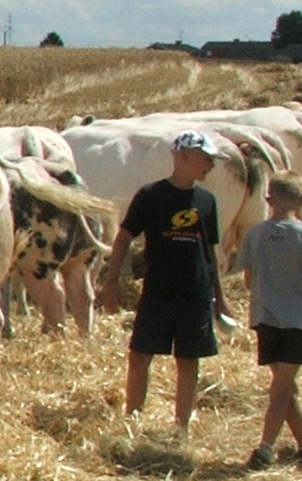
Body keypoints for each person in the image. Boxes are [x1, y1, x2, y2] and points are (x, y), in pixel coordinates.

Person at [97, 130, 232, 433]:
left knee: (189, 360)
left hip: (196, 293)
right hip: (157, 291)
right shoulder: (150, 196)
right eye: (205, 159)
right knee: (140, 355)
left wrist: (220, 297)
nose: (210, 165)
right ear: (182, 157)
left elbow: (210, 251)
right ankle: (132, 420)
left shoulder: (207, 201)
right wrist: (112, 281)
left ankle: (181, 427)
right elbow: (124, 238)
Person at [236, 174, 302, 469]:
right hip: (298, 322)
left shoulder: (255, 234)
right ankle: (271, 448)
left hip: (265, 319)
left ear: (268, 199)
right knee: (283, 389)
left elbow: (248, 278)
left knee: (282, 388)